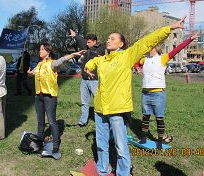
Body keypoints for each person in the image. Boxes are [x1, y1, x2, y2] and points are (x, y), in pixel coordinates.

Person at [84, 17, 186, 176]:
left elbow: (147, 41)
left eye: (112, 38)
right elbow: (92, 62)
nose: (108, 40)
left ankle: (123, 172)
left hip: (117, 109)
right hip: (99, 109)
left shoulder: (127, 56)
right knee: (101, 144)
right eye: (108, 38)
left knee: (121, 145)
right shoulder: (102, 59)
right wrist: (88, 67)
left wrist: (169, 28)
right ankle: (102, 169)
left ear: (121, 44)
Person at [135, 31, 200, 149]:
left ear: (155, 47)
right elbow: (135, 62)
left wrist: (190, 39)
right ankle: (143, 138)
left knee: (159, 118)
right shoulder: (144, 59)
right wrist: (138, 68)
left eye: (150, 46)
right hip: (145, 93)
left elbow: (178, 48)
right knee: (145, 117)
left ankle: (159, 142)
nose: (148, 48)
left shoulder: (163, 58)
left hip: (158, 94)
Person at [27, 42, 85, 154]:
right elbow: (32, 74)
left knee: (52, 121)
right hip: (38, 96)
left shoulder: (52, 63)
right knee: (40, 121)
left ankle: (56, 143)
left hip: (49, 97)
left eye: (42, 49)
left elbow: (62, 59)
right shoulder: (39, 65)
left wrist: (73, 54)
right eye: (40, 49)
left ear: (48, 52)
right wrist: (29, 73)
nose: (40, 51)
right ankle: (39, 139)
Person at [69, 29, 105, 127]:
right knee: (84, 102)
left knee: (98, 102)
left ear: (95, 42)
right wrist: (75, 36)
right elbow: (81, 40)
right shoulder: (86, 47)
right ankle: (82, 121)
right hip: (84, 80)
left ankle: (102, 121)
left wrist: (91, 52)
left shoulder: (101, 48)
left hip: (95, 80)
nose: (87, 44)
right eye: (87, 42)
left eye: (89, 42)